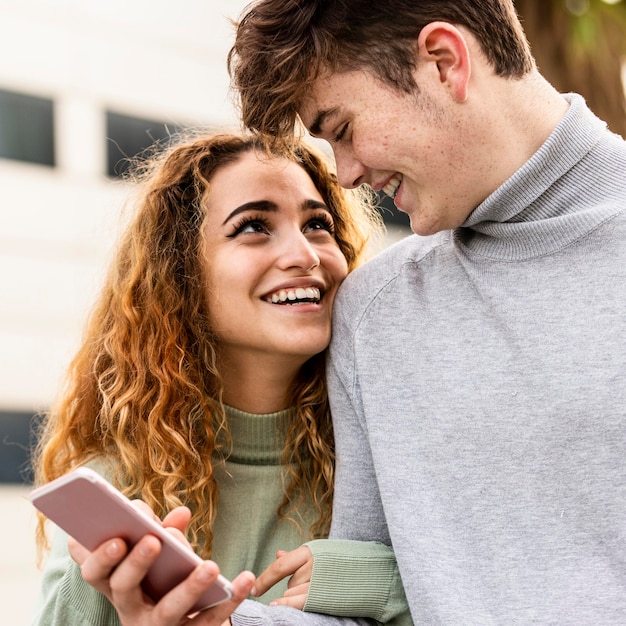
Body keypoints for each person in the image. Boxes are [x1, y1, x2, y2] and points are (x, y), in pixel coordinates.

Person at [227, 0, 626, 623]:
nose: (347, 174)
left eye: (343, 129)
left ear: (444, 62)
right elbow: (367, 606)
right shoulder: (374, 312)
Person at [30, 131, 412, 625]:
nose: (306, 254)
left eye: (318, 224)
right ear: (180, 272)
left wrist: (381, 583)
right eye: (254, 226)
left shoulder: (390, 447)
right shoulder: (121, 488)